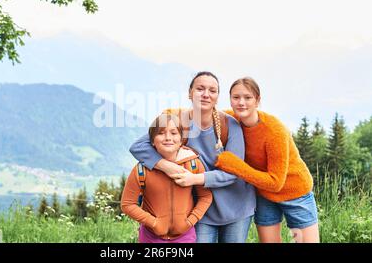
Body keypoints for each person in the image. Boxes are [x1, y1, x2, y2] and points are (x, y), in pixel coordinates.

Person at [129, 72, 256, 243]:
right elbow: (138, 146)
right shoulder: (179, 122)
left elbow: (235, 172)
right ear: (190, 93)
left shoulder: (229, 125)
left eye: (212, 90)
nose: (206, 94)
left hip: (236, 207)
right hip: (202, 210)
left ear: (217, 97)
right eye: (200, 89)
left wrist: (194, 178)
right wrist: (167, 166)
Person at [215, 77, 320, 243]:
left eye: (247, 98)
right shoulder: (230, 119)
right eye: (236, 97)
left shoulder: (274, 131)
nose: (241, 102)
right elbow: (203, 113)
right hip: (264, 193)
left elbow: (276, 182)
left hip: (294, 192)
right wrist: (168, 115)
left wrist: (235, 166)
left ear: (257, 101)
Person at [121, 113, 212, 243]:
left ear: (181, 140)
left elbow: (206, 196)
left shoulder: (193, 164)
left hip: (185, 237)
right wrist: (153, 223)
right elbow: (127, 204)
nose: (168, 138)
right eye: (161, 133)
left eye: (174, 133)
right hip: (150, 237)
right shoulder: (141, 170)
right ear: (152, 140)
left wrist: (190, 221)